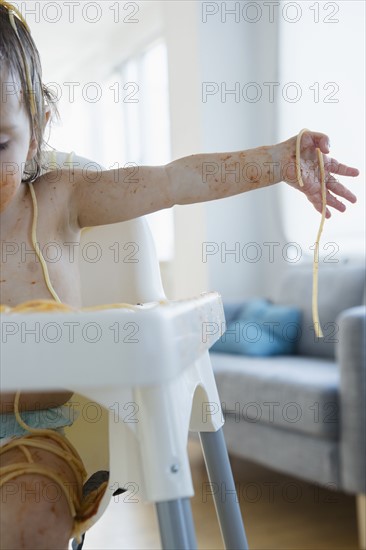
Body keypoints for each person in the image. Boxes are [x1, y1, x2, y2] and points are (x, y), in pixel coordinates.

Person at [0, 1, 360, 549]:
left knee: (31, 519)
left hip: (35, 439)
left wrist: (275, 161)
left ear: (37, 130)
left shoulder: (60, 198)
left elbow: (174, 181)